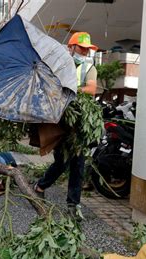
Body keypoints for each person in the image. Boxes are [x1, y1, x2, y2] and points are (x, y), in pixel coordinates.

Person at [33, 32, 98, 221]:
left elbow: (91, 90)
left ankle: (73, 204)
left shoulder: (89, 68)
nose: (85, 52)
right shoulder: (58, 66)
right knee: (62, 161)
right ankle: (40, 186)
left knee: (78, 164)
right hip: (60, 120)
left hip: (79, 122)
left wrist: (70, 90)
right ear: (71, 48)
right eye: (81, 48)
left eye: (87, 49)